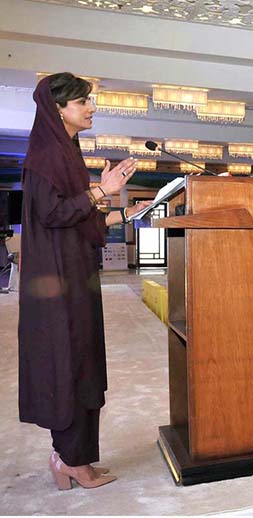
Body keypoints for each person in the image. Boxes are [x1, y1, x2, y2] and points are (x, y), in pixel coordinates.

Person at [19, 73, 153, 490]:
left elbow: (83, 223)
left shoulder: (68, 153)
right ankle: (70, 460)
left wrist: (126, 211)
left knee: (84, 362)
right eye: (83, 102)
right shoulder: (44, 156)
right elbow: (52, 214)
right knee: (68, 363)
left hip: (76, 275)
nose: (91, 108)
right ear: (58, 109)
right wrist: (102, 191)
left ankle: (76, 457)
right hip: (58, 283)